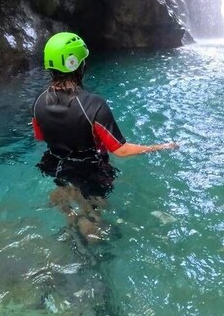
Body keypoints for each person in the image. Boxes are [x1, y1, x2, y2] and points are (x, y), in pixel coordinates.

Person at [32, 32, 178, 239]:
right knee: (95, 219)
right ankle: (89, 240)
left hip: (54, 165)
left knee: (73, 204)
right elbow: (121, 149)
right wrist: (160, 147)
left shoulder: (38, 102)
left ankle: (70, 214)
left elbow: (40, 136)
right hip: (89, 168)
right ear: (79, 65)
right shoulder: (93, 105)